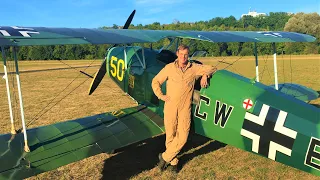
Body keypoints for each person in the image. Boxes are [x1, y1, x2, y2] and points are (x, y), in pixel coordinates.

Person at [151, 45, 217, 172]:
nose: (183, 57)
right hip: (170, 106)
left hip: (184, 108)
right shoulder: (169, 68)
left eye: (186, 55)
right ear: (177, 54)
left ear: (188, 55)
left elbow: (212, 68)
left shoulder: (193, 68)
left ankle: (164, 157)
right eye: (181, 54)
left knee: (183, 136)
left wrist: (204, 75)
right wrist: (161, 95)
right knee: (170, 135)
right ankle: (174, 163)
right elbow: (156, 81)